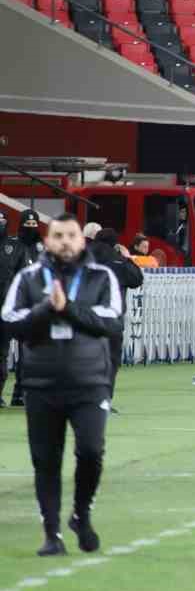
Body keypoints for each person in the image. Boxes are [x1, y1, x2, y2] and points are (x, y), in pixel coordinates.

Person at [1, 215, 123, 556]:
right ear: (47, 240)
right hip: (41, 385)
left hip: (89, 383)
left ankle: (80, 514)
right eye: (58, 236)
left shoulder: (102, 277)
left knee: (91, 451)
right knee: (46, 461)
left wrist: (67, 308)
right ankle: (51, 533)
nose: (65, 242)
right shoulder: (28, 278)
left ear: (81, 241)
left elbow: (111, 323)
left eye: (71, 235)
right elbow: (11, 322)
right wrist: (45, 309)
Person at [85, 227, 144, 409]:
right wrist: (127, 257)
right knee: (110, 362)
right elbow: (137, 279)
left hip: (85, 318)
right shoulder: (118, 260)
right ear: (115, 243)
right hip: (112, 320)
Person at [1, 208, 44, 407]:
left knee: (28, 351)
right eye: (28, 224)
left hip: (27, 305)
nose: (31, 227)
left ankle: (21, 392)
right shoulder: (14, 245)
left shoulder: (41, 247)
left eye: (34, 224)